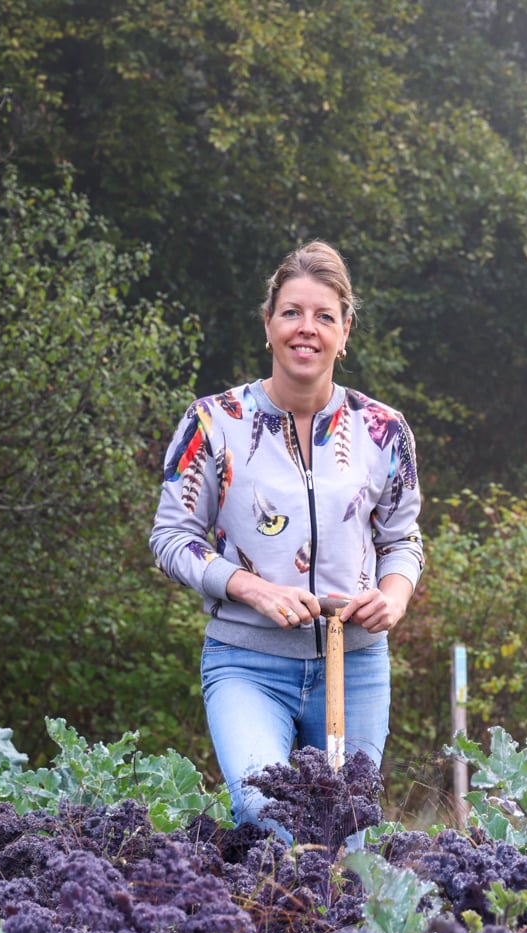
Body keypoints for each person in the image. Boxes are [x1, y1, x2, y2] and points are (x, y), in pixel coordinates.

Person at [150, 241, 423, 830]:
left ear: (345, 332)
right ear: (269, 324)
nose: (308, 329)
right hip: (246, 661)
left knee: (348, 833)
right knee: (267, 814)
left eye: (325, 316)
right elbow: (172, 538)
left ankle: (328, 928)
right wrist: (250, 587)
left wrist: (394, 597)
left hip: (355, 667)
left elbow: (403, 540)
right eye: (292, 312)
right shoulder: (212, 423)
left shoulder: (384, 431)